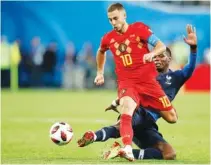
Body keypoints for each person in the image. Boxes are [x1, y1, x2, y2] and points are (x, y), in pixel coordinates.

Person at [79, 24, 197, 160]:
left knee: (169, 154)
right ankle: (94, 136)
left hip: (150, 123)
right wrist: (116, 101)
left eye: (161, 56)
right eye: (155, 57)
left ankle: (120, 151)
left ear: (169, 59)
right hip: (139, 111)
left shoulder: (176, 77)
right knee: (122, 124)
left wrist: (193, 48)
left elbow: (190, 68)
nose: (157, 59)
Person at [94, 2, 177, 161]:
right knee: (127, 110)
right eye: (110, 20)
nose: (113, 23)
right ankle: (127, 148)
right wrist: (100, 72)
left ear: (124, 16)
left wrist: (152, 54)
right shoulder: (108, 38)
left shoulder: (139, 29)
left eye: (116, 18)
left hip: (148, 84)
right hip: (128, 84)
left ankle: (137, 124)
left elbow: (161, 45)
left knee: (172, 117)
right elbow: (101, 51)